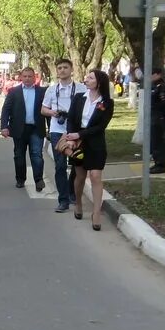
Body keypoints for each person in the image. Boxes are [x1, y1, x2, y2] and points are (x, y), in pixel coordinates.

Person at [63, 70, 114, 230]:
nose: (86, 79)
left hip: (96, 142)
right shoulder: (79, 98)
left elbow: (101, 126)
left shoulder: (107, 102)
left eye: (90, 78)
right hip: (78, 142)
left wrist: (80, 133)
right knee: (80, 176)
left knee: (95, 176)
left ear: (99, 82)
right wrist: (72, 137)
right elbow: (71, 119)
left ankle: (96, 213)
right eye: (87, 77)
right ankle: (78, 203)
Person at [41, 59, 86, 213]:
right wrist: (53, 112)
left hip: (75, 130)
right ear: (56, 71)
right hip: (57, 130)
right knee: (60, 165)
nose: (62, 70)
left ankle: (72, 192)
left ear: (71, 69)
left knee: (77, 163)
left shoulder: (81, 88)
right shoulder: (51, 90)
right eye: (59, 68)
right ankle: (63, 200)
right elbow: (43, 109)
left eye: (65, 67)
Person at [0, 67, 47, 190]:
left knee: (37, 154)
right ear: (21, 77)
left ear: (34, 77)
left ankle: (38, 180)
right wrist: (4, 126)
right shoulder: (14, 91)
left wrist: (51, 128)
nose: (27, 78)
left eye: (30, 76)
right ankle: (20, 179)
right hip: (19, 129)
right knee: (19, 155)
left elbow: (47, 109)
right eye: (25, 76)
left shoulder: (42, 91)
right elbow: (6, 109)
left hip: (36, 128)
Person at [149, 67, 165, 174]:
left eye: (152, 74)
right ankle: (157, 162)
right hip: (155, 116)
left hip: (159, 117)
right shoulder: (154, 86)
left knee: (158, 141)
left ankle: (161, 164)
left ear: (158, 74)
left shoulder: (161, 87)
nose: (150, 77)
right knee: (155, 140)